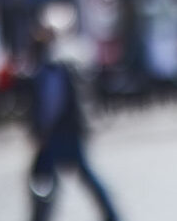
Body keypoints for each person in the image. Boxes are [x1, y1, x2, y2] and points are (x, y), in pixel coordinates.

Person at [27, 26, 120, 221]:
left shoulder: (57, 69)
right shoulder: (50, 69)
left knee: (51, 179)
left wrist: (42, 131)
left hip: (62, 132)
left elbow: (55, 105)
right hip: (59, 133)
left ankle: (112, 215)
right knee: (47, 180)